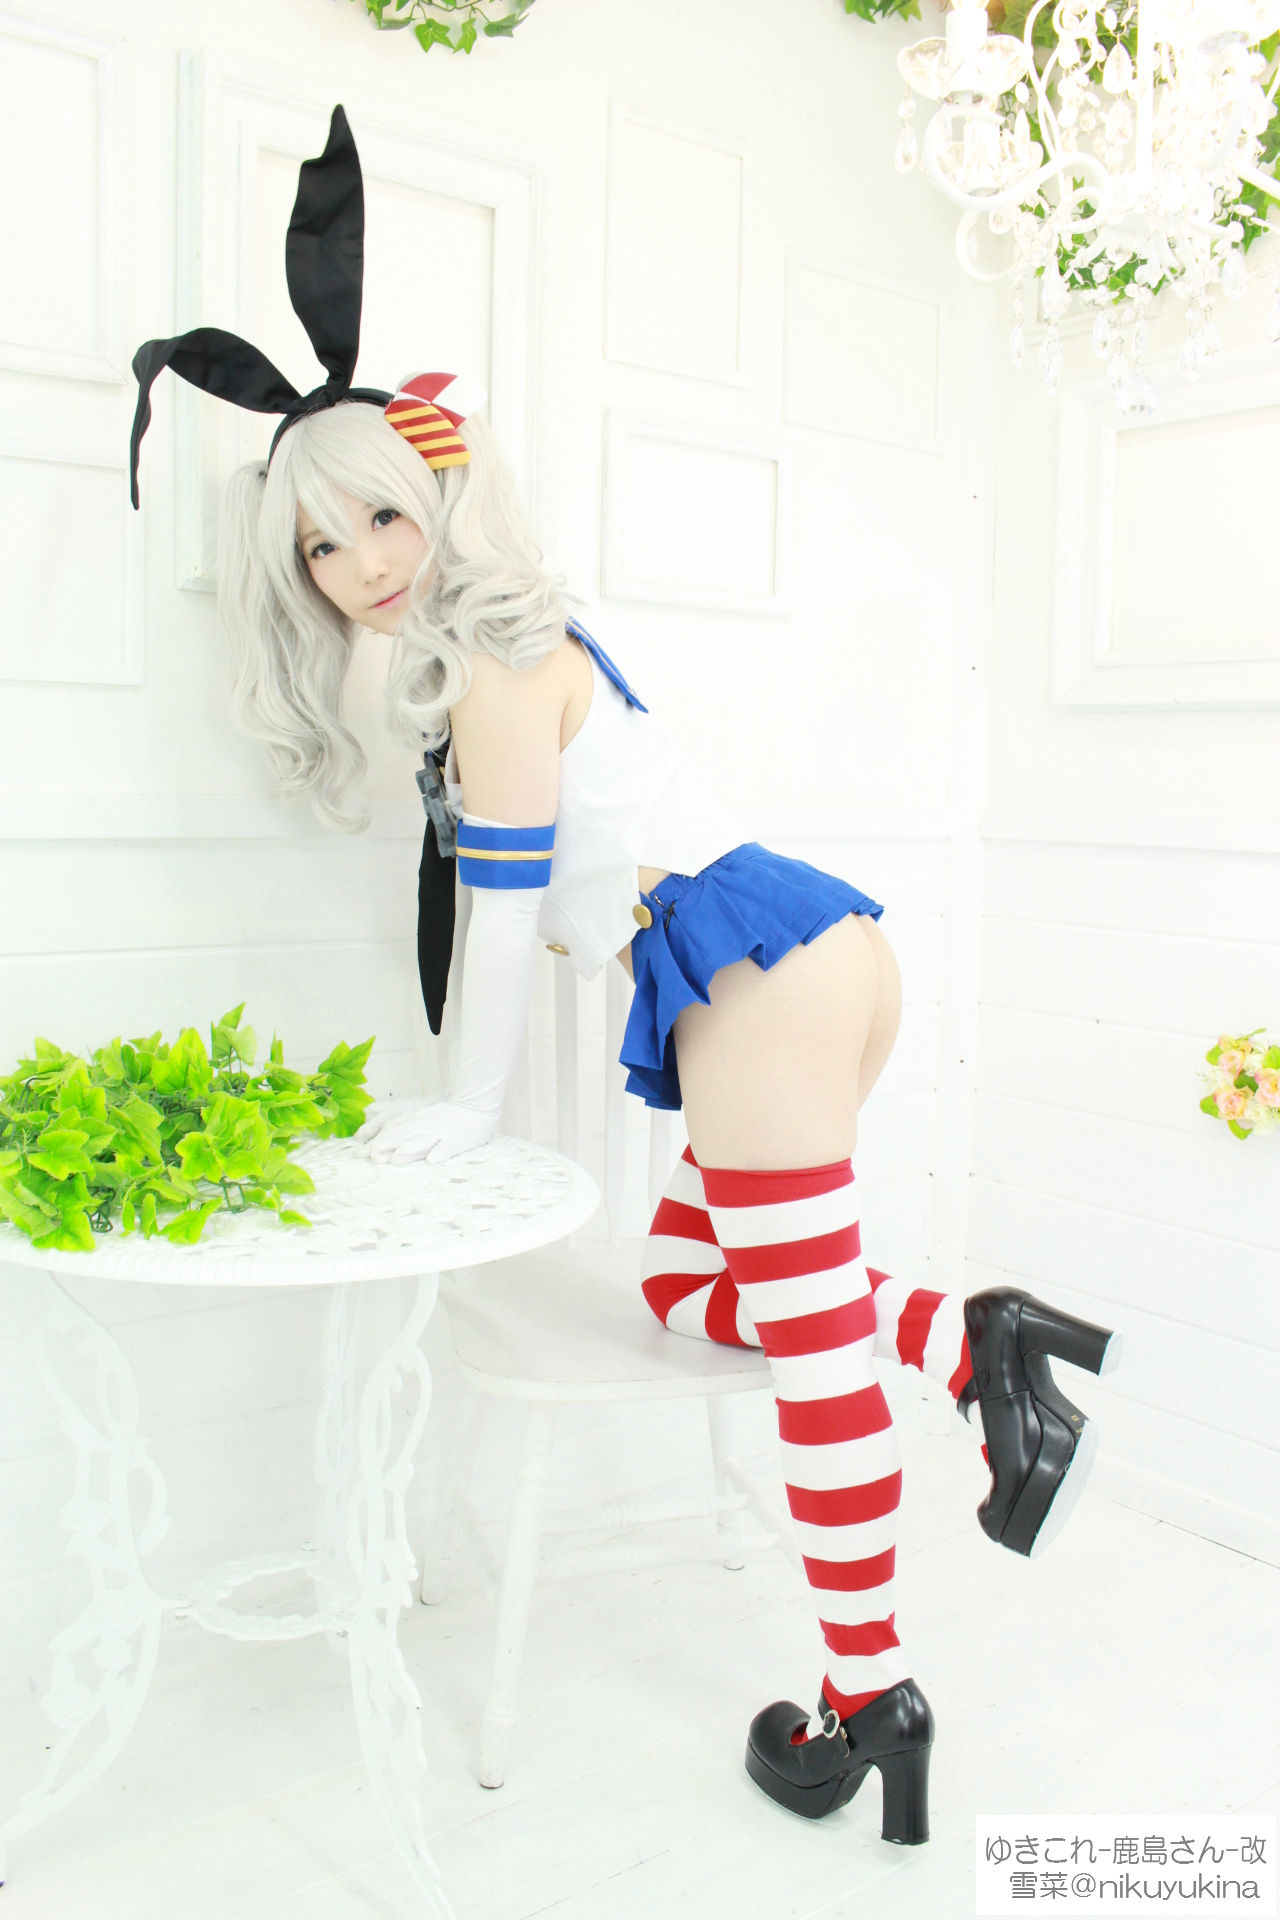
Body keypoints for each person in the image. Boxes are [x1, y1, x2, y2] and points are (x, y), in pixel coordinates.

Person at [130, 103, 1123, 1842]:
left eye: (381, 517)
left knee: (806, 1356)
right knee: (688, 1284)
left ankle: (869, 1691)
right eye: (320, 548)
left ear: (441, 494)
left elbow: (504, 906)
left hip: (751, 978)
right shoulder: (508, 646)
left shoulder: (498, 661)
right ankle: (968, 1341)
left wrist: (461, 1111)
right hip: (796, 956)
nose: (363, 567)